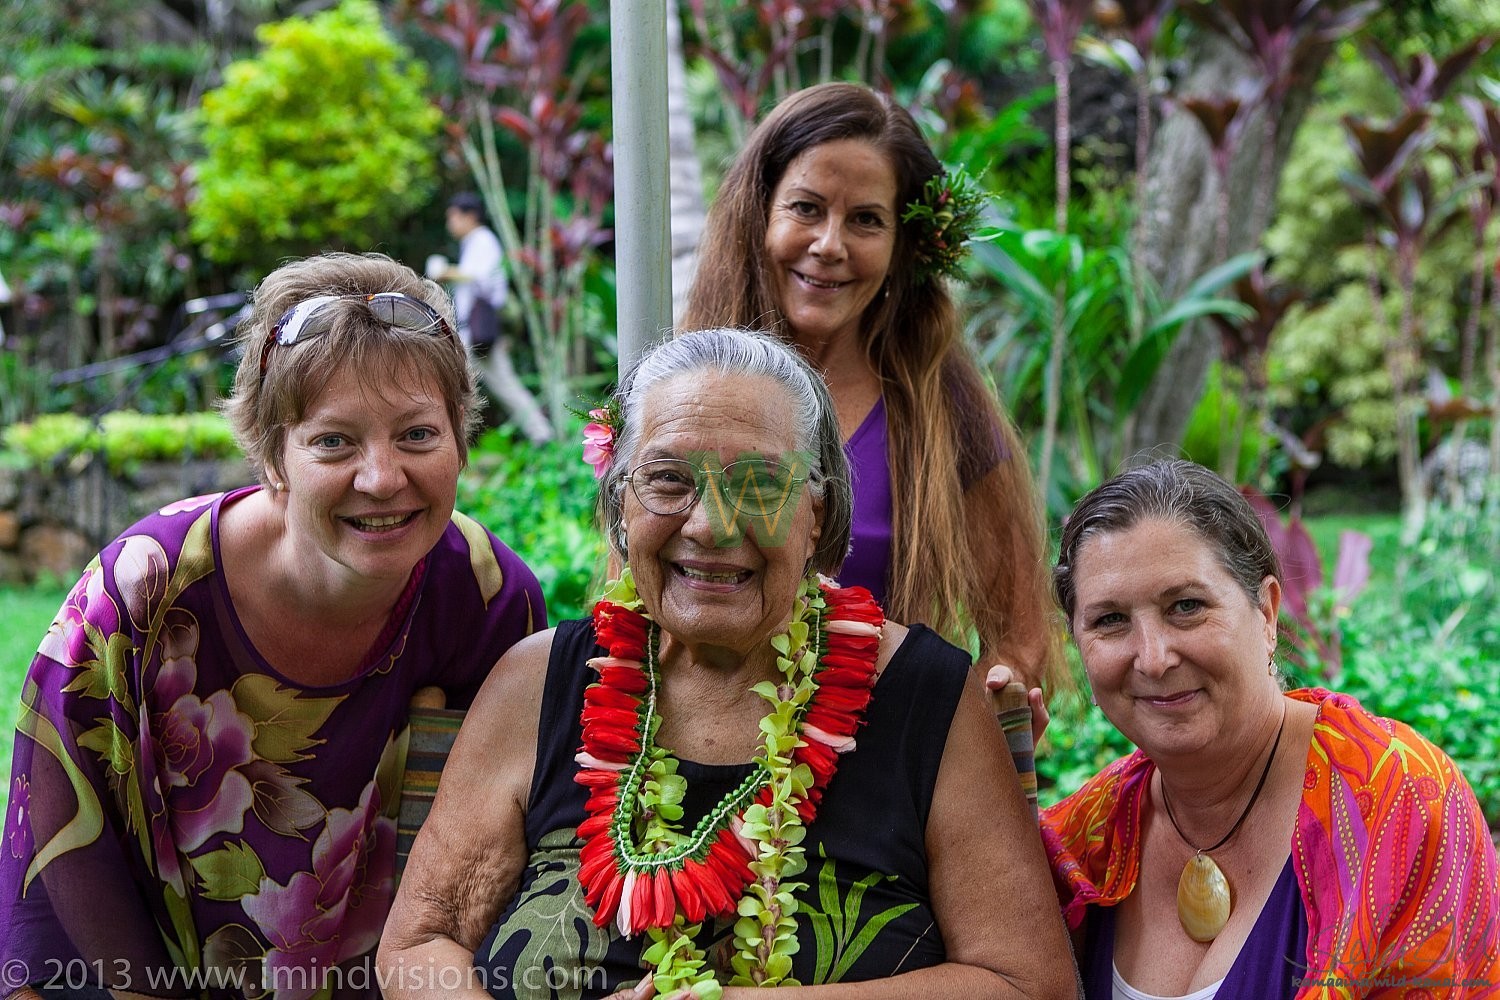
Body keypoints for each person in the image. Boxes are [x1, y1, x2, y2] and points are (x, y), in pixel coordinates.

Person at [377, 328, 1076, 999]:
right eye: (669, 479)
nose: (710, 524)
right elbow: (417, 946)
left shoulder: (930, 698)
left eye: (760, 483)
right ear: (621, 502)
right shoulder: (537, 683)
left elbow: (1029, 984)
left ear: (816, 511)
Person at [0, 252, 546, 998]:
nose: (382, 478)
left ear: (460, 436)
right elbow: (58, 855)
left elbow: (504, 865)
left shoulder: (487, 599)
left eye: (417, 434)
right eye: (334, 441)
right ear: (273, 455)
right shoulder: (139, 594)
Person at [1041, 460, 1500, 997]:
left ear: (1266, 613)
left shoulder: (1400, 798)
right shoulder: (1079, 841)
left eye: (1186, 606)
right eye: (1110, 620)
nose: (1153, 658)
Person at [680, 82, 1058, 696]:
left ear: (904, 245)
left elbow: (1018, 629)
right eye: (805, 208)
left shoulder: (939, 404)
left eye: (865, 220)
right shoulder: (685, 393)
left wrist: (996, 708)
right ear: (759, 212)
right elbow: (632, 597)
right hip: (698, 761)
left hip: (886, 765)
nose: (830, 246)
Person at [438, 192, 509, 353]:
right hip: (472, 327)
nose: (450, 223)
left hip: (480, 323)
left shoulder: (483, 240)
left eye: (453, 217)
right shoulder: (471, 241)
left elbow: (482, 278)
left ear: (470, 216)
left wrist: (448, 272)